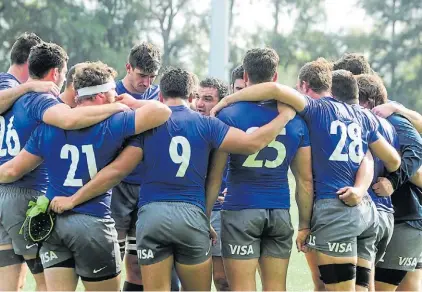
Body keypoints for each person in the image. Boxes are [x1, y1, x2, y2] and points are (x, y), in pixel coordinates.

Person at [65, 67, 297, 291]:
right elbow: (252, 143)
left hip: (152, 216)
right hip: (191, 218)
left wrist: (74, 198)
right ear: (192, 96)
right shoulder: (207, 125)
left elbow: (116, 171)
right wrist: (284, 117)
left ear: (161, 94)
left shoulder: (148, 127)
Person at [211, 65, 402, 291]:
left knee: (334, 287)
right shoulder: (364, 117)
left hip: (336, 207)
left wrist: (225, 101)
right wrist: (362, 188)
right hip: (367, 213)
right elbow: (392, 161)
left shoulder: (316, 109)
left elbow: (274, 89)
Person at [0, 61, 171, 291]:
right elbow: (163, 111)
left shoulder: (47, 127)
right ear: (100, 96)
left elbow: (12, 170)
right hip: (93, 223)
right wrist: (130, 104)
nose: (117, 97)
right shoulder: (114, 122)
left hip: (54, 223)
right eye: (113, 92)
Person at [209, 48, 313, 291]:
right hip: (279, 212)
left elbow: (215, 177)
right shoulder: (295, 118)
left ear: (245, 76)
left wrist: (205, 217)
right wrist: (305, 225)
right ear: (275, 76)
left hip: (240, 209)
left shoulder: (228, 114)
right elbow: (305, 180)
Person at [111, 42, 162, 292]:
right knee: (112, 262)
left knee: (139, 264)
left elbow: (172, 113)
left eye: (152, 77)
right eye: (142, 75)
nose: (147, 83)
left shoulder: (158, 95)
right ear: (128, 67)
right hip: (116, 186)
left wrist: (134, 104)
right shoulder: (109, 92)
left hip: (148, 187)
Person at [195, 76, 230, 291]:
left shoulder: (228, 129)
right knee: (194, 281)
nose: (200, 103)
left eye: (207, 98)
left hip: (220, 211)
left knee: (222, 278)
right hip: (190, 210)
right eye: (198, 97)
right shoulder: (188, 125)